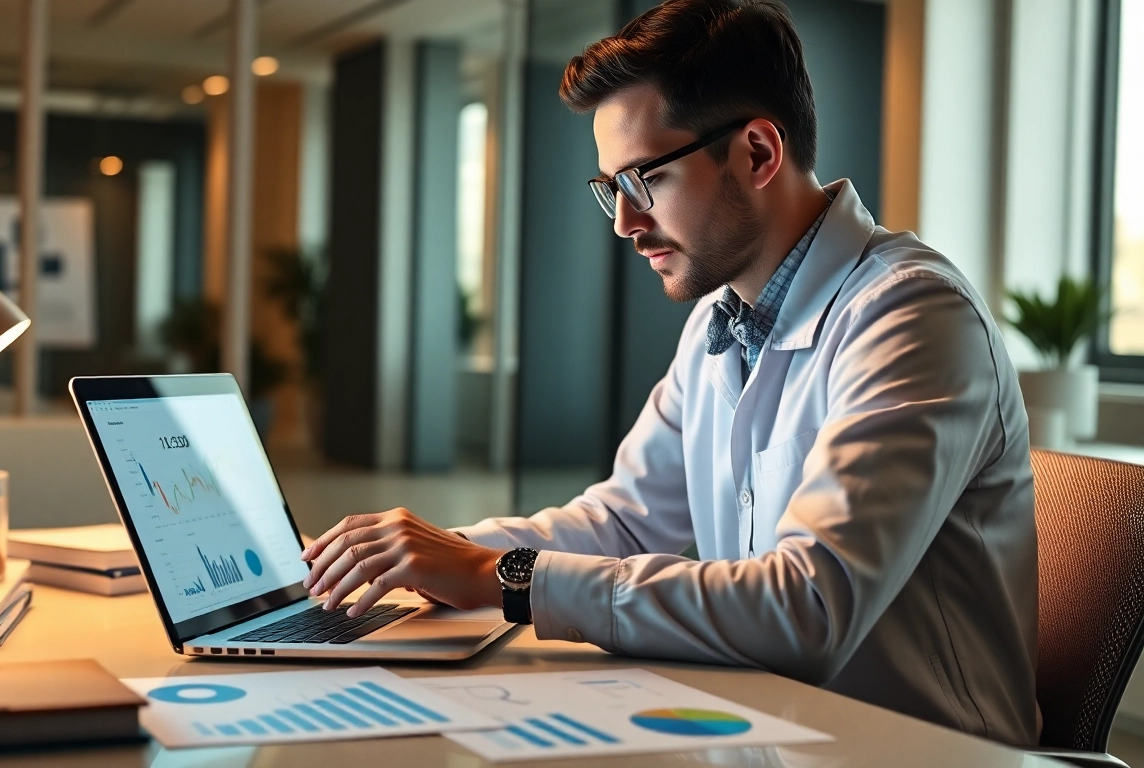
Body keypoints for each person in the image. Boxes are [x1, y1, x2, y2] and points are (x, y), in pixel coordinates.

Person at [300, 0, 1038, 745]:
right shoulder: (719, 322)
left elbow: (809, 607)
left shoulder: (912, 315)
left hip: (918, 751)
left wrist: (504, 577)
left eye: (644, 179)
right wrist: (423, 556)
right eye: (609, 188)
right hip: (769, 733)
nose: (623, 221)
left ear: (756, 152)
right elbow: (623, 521)